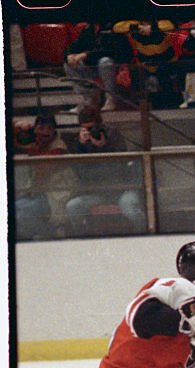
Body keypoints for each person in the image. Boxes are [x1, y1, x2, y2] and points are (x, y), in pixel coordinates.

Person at [64, 105, 146, 234]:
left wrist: (104, 146)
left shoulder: (113, 135)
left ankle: (143, 235)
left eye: (93, 128)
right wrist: (81, 146)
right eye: (86, 128)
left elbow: (121, 163)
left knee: (131, 208)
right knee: (73, 207)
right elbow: (79, 171)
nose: (91, 132)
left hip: (121, 188)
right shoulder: (77, 142)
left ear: (100, 124)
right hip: (95, 191)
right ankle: (80, 238)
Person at [14, 114, 76, 241]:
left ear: (54, 130)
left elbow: (43, 170)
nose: (45, 132)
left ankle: (50, 234)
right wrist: (19, 128)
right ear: (35, 129)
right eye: (41, 129)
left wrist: (36, 146)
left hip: (55, 194)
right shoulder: (35, 142)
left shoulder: (59, 147)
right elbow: (15, 144)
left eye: (49, 129)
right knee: (15, 207)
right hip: (36, 193)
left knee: (22, 215)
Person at [63, 22, 133, 112]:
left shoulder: (114, 27)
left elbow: (110, 51)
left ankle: (111, 98)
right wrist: (69, 55)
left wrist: (86, 54)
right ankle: (89, 98)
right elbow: (75, 45)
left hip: (115, 67)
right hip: (93, 67)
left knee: (105, 62)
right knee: (69, 64)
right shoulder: (88, 29)